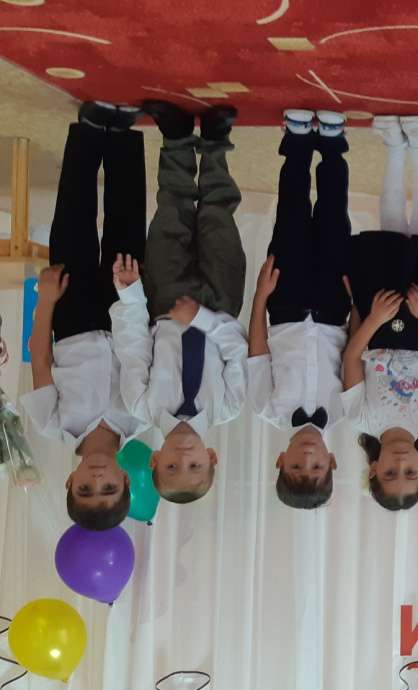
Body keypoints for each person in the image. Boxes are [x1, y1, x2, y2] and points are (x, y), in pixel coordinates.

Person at [20, 101, 148, 529]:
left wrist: (46, 299)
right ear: (124, 480)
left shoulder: (52, 423)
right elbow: (141, 356)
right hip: (122, 314)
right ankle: (123, 138)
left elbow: (41, 356)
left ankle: (90, 132)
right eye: (108, 488)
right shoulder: (140, 415)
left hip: (71, 317)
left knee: (73, 221)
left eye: (85, 489)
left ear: (69, 482)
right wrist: (135, 302)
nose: (97, 479)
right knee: (126, 227)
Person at [111, 100, 246, 505]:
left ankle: (177, 139)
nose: (184, 457)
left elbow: (133, 346)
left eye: (172, 466)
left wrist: (130, 294)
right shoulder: (229, 406)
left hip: (165, 302)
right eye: (195, 465)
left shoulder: (141, 405)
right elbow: (237, 351)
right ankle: (216, 141)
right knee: (217, 219)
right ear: (211, 456)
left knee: (171, 216)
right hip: (220, 304)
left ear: (154, 459)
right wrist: (203, 318)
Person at [343, 115, 418, 511]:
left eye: (390, 473)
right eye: (410, 472)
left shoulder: (360, 419)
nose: (400, 464)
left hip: (378, 321)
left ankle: (395, 149)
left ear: (373, 469)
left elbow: (351, 359)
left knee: (391, 230)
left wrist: (373, 318)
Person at [247, 109, 352, 510]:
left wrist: (261, 296)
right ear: (332, 461)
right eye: (317, 467)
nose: (307, 457)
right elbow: (353, 352)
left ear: (280, 460)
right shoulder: (345, 410)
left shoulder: (266, 407)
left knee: (290, 216)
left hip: (285, 305)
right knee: (333, 219)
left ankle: (297, 144)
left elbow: (258, 352)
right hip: (333, 308)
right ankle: (332, 147)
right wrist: (357, 304)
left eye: (295, 466)